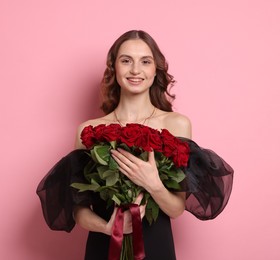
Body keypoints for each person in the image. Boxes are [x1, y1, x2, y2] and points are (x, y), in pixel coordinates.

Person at [37, 30, 234, 260]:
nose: (135, 70)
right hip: (103, 246)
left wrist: (153, 183)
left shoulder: (176, 125)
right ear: (114, 67)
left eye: (145, 61)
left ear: (155, 70)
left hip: (156, 246)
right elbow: (79, 210)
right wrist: (109, 228)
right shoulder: (89, 131)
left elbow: (176, 209)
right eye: (126, 60)